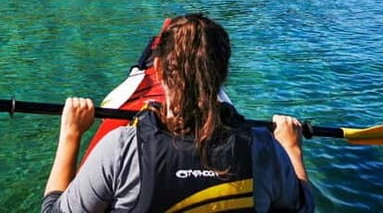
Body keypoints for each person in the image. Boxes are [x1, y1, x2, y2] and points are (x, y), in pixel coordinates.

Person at [42, 14, 314, 212]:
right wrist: (292, 148)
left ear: (157, 70)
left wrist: (71, 134)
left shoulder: (121, 149)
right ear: (222, 74)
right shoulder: (263, 148)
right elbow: (302, 207)